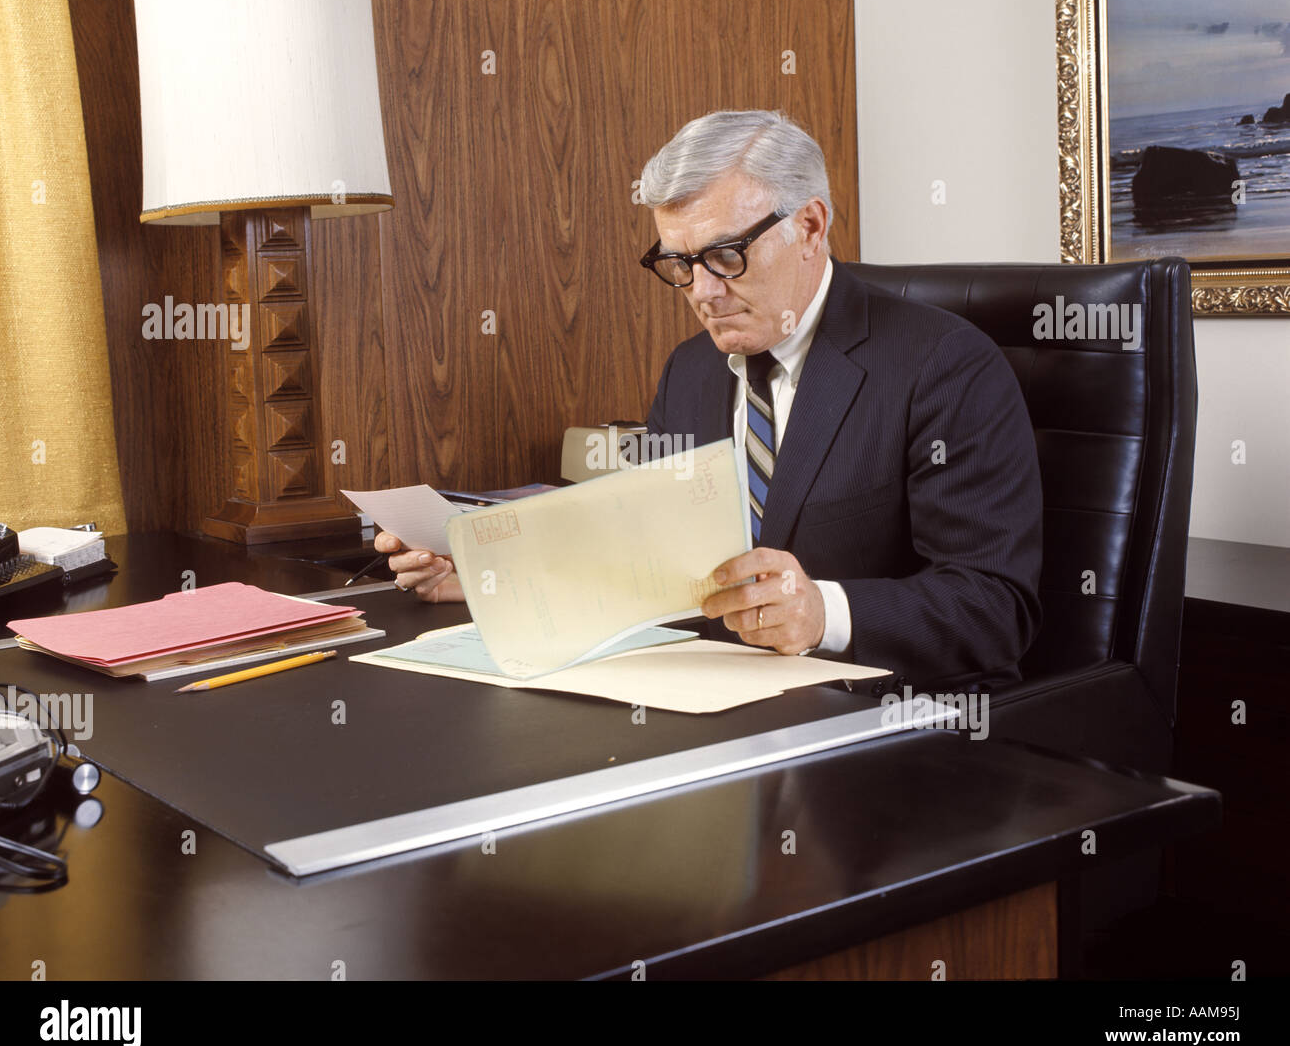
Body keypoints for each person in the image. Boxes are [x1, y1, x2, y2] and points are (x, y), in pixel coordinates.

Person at [379, 110, 1043, 691]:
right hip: (712, 705)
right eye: (680, 263)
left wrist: (823, 612)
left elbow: (993, 609)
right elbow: (642, 566)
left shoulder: (944, 366)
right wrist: (491, 581)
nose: (702, 290)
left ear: (810, 225)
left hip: (874, 724)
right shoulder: (692, 370)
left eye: (726, 254)